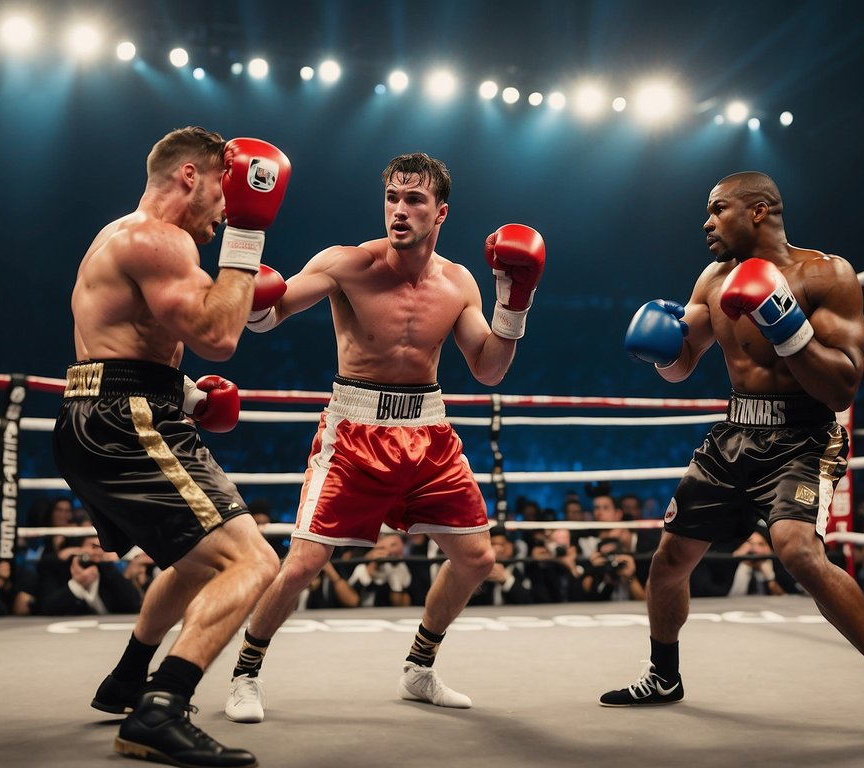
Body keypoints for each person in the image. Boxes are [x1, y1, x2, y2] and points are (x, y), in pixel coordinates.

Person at [605, 171, 864, 754]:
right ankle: (664, 674)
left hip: (803, 435)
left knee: (797, 551)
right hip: (735, 433)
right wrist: (660, 350)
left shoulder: (826, 275)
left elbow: (842, 389)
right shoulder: (713, 279)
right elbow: (683, 362)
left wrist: (785, 325)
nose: (706, 224)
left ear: (758, 211)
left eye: (717, 210)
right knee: (667, 562)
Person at [222, 152, 545, 724]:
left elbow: (489, 369)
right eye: (393, 198)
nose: (400, 210)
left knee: (476, 559)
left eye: (414, 200)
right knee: (301, 564)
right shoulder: (346, 265)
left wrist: (513, 301)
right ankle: (245, 672)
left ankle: (420, 668)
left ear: (440, 212)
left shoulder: (460, 282)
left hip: (429, 431)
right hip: (354, 429)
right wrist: (250, 274)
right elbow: (266, 317)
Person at [52, 126, 288, 768]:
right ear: (192, 175)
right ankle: (161, 708)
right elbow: (218, 332)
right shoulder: (157, 239)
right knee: (254, 563)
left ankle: (127, 679)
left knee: (194, 559)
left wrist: (188, 399)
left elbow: (125, 347)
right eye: (225, 192)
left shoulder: (123, 236)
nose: (227, 207)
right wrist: (249, 231)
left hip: (115, 410)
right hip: (126, 420)